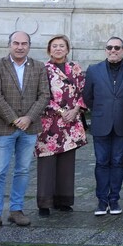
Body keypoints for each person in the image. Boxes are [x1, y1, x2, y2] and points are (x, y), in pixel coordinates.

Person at [0, 30, 50, 234]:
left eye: (24, 43)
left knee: (22, 170)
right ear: (9, 45)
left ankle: (16, 210)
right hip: (4, 127)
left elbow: (44, 95)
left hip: (30, 127)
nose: (20, 47)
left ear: (29, 45)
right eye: (16, 43)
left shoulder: (39, 67)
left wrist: (29, 117)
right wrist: (14, 119)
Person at [83, 36, 123, 216]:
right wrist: (101, 110)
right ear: (105, 50)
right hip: (101, 123)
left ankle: (114, 199)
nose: (113, 50)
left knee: (118, 162)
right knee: (101, 162)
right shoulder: (93, 70)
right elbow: (87, 96)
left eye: (117, 47)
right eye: (110, 47)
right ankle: (101, 200)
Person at [36, 34, 87, 217]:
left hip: (71, 121)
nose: (58, 49)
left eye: (61, 46)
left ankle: (63, 201)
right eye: (54, 46)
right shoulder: (42, 69)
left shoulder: (75, 68)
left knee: (67, 162)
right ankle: (44, 203)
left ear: (67, 49)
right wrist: (60, 111)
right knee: (47, 162)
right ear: (49, 50)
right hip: (49, 121)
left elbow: (83, 91)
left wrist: (76, 109)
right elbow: (40, 94)